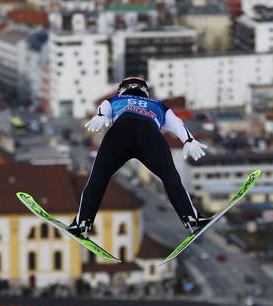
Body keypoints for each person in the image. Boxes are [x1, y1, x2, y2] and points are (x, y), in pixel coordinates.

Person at [67, 77, 210, 238]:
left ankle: (82, 224)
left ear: (122, 89)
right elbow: (176, 123)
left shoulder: (116, 99)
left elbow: (105, 107)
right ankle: (192, 220)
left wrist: (100, 116)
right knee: (172, 180)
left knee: (97, 181)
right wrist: (189, 140)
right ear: (146, 92)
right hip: (149, 137)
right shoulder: (158, 105)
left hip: (121, 134)